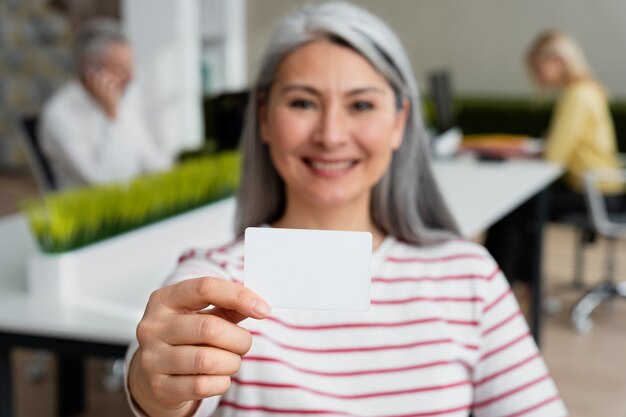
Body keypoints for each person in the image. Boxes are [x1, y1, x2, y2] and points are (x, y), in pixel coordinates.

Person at [124, 3, 567, 416]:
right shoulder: (214, 282)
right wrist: (153, 384)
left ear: (399, 122)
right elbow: (159, 380)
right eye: (302, 102)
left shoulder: (469, 276)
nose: (331, 135)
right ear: (262, 117)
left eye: (361, 105)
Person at [486, 31, 625, 286]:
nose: (538, 77)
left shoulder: (578, 95)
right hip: (602, 189)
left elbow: (555, 155)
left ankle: (510, 285)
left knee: (516, 207)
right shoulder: (587, 90)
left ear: (558, 60)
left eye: (539, 69)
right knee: (523, 205)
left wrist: (538, 150)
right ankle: (519, 284)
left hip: (597, 194)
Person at [39, 18, 172, 190]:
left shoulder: (124, 96)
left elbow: (149, 158)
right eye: (121, 69)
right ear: (93, 71)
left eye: (131, 66)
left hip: (132, 197)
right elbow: (106, 182)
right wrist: (113, 116)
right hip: (89, 207)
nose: (131, 77)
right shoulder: (59, 115)